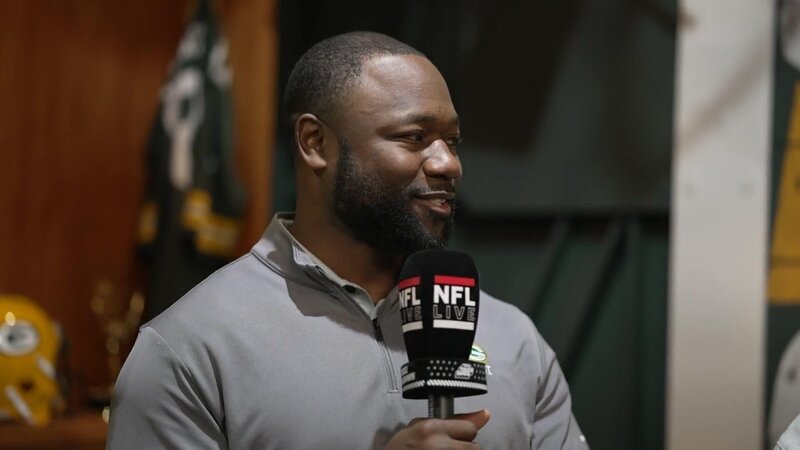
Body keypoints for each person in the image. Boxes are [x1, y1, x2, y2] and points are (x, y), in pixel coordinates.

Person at [107, 31, 588, 450]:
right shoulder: (191, 349)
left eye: (452, 141)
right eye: (414, 136)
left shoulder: (516, 341)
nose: (448, 164)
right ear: (315, 143)